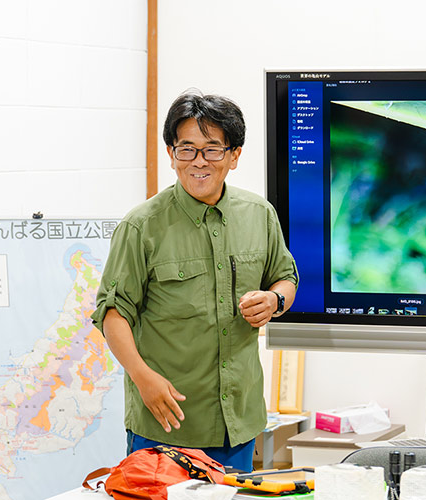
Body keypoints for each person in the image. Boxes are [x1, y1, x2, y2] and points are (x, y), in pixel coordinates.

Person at [91, 90, 298, 472]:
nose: (198, 161)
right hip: (165, 423)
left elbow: (285, 277)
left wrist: (275, 301)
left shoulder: (259, 214)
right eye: (186, 149)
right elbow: (112, 314)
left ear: (234, 155)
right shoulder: (141, 226)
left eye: (212, 149)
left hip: (238, 424)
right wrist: (142, 377)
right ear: (171, 155)